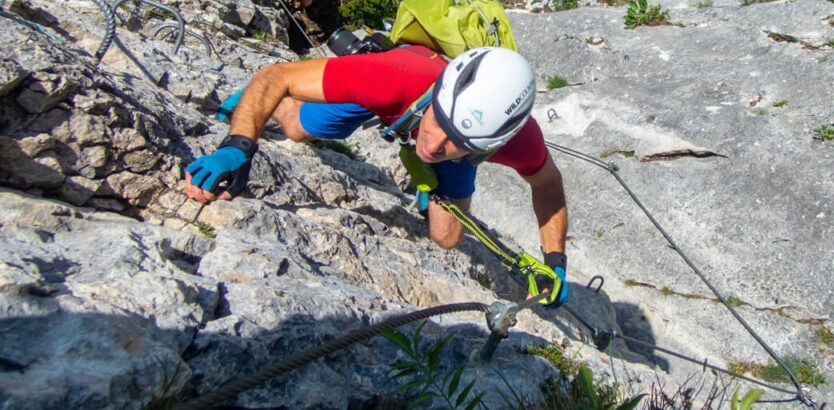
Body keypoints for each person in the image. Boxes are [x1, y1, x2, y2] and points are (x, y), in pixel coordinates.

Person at [184, 45, 570, 306]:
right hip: (397, 103)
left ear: (491, 145)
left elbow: (549, 184)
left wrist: (555, 260)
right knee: (301, 128)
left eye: (456, 142)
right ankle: (269, 108)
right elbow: (275, 74)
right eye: (438, 124)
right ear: (437, 96)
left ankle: (434, 174)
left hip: (421, 115)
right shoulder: (393, 78)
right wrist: (237, 147)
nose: (434, 146)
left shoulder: (520, 140)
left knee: (447, 236)